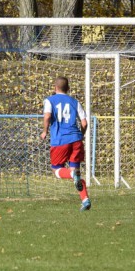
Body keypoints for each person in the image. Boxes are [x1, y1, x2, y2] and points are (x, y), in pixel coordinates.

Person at [41, 77, 91, 211]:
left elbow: (47, 116)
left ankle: (72, 175)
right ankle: (85, 200)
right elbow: (84, 123)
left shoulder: (49, 100)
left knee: (56, 170)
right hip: (76, 140)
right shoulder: (75, 102)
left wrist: (45, 131)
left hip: (60, 140)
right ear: (68, 88)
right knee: (76, 173)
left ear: (55, 87)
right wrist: (81, 135)